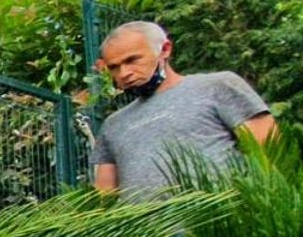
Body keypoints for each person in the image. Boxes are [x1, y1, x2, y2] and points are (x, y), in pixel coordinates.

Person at [91, 21, 278, 200]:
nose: (124, 73)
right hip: (148, 232)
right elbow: (106, 199)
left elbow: (273, 156)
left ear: (165, 50)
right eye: (114, 67)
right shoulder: (113, 125)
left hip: (218, 227)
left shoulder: (216, 86)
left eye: (133, 60)